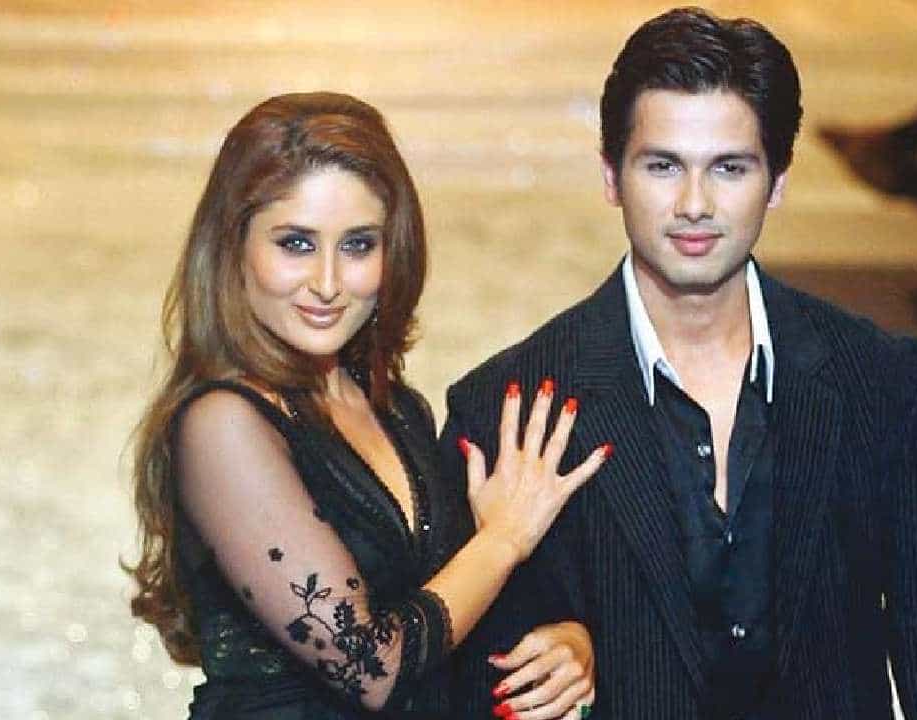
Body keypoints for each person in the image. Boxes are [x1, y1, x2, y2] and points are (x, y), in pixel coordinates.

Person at [441, 9, 917, 719]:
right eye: (663, 166)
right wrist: (573, 648)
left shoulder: (877, 381)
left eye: (729, 168)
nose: (694, 205)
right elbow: (472, 681)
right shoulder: (509, 407)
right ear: (611, 175)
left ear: (778, 182)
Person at [122, 92, 606, 719]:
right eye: (295, 244)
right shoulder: (223, 425)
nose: (327, 283)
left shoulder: (395, 408)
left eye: (356, 246)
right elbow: (372, 667)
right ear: (233, 247)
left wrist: (569, 642)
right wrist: (503, 539)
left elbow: (443, 626)